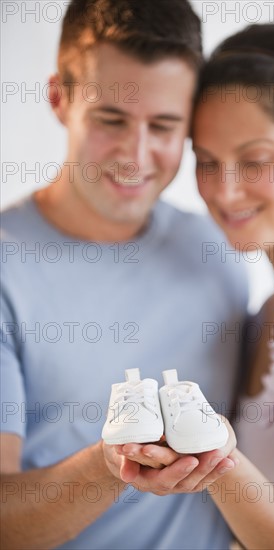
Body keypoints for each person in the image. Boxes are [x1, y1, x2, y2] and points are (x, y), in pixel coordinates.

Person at [0, 1, 248, 548]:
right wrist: (110, 466)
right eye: (111, 119)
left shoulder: (216, 250)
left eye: (163, 125)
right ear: (59, 98)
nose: (136, 155)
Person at [119, 23, 274, 549]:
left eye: (255, 160)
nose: (225, 191)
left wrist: (213, 455)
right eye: (207, 162)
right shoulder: (266, 308)